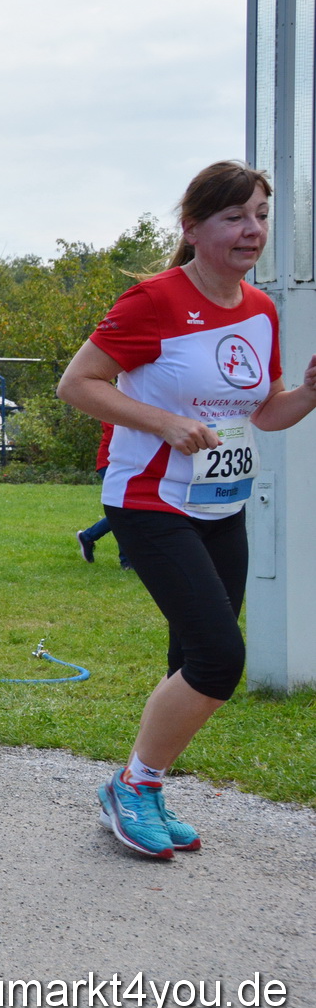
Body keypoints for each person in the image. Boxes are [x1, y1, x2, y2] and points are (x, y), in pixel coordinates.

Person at [57, 161, 316, 859]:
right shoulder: (152, 302)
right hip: (147, 499)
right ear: (193, 228)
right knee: (219, 657)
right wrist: (164, 423)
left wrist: (311, 393)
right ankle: (133, 786)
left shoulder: (262, 310)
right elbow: (77, 383)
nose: (252, 230)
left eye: (261, 214)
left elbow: (264, 410)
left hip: (220, 504)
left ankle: (147, 783)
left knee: (189, 655)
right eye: (234, 217)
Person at [75, 423, 132, 569]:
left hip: (125, 464)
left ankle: (88, 537)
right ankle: (127, 561)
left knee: (127, 509)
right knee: (125, 510)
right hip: (112, 463)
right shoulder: (116, 408)